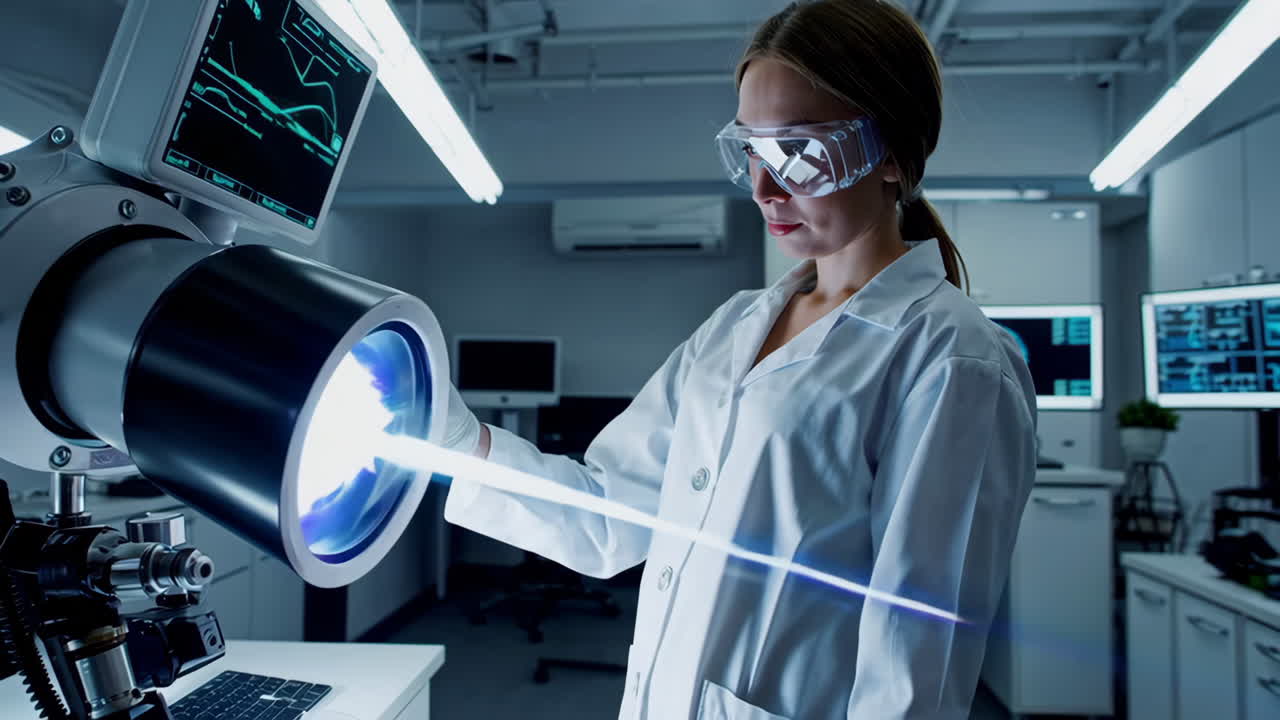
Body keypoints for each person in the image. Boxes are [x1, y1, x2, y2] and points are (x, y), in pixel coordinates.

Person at [439, 1, 1037, 717]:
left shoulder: (952, 357)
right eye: (752, 149)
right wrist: (453, 443)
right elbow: (607, 515)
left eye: (800, 151)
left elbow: (916, 661)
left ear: (892, 156)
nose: (764, 186)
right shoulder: (732, 329)